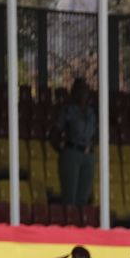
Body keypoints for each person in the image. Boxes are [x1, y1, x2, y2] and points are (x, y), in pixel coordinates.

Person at [53, 78, 99, 206]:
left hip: (88, 154)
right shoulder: (68, 110)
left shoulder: (91, 112)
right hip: (72, 151)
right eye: (79, 90)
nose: (83, 93)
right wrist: (63, 151)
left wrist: (92, 144)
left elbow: (96, 132)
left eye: (85, 90)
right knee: (70, 198)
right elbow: (55, 132)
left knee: (83, 198)